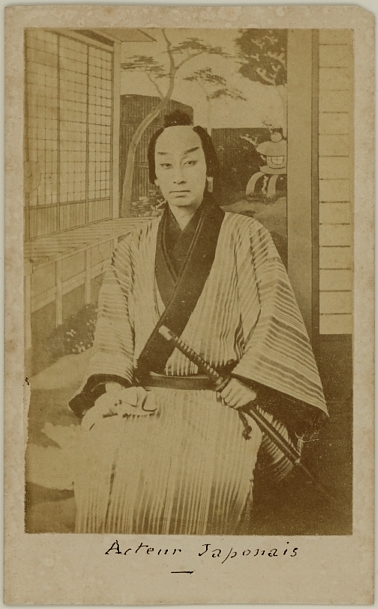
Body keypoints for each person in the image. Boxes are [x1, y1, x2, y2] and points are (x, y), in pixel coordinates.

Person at [69, 111, 328, 535]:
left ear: (208, 168)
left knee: (208, 478)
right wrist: (117, 387)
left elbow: (274, 316)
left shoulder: (247, 236)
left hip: (220, 399)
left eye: (190, 162)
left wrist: (251, 379)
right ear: (154, 176)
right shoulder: (132, 247)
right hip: (144, 397)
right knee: (103, 463)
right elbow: (113, 326)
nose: (178, 176)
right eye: (165, 165)